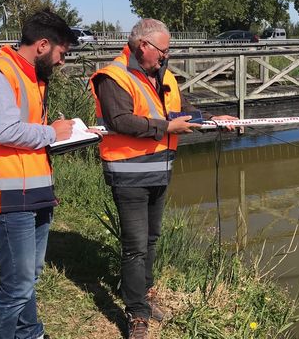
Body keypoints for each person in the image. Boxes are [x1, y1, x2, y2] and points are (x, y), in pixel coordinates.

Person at [89, 18, 236, 338]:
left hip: (160, 170)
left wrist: (212, 119)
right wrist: (166, 129)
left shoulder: (163, 75)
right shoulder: (113, 76)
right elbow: (120, 121)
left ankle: (145, 292)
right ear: (144, 46)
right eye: (163, 50)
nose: (166, 56)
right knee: (135, 247)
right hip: (128, 174)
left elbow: (180, 110)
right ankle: (137, 314)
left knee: (151, 240)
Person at [0, 10, 76, 339]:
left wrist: (60, 137)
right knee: (16, 287)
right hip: (8, 196)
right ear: (43, 45)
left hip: (35, 193)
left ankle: (31, 334)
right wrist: (51, 133)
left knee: (29, 277)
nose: (61, 62)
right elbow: (4, 130)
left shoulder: (31, 77)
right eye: (62, 53)